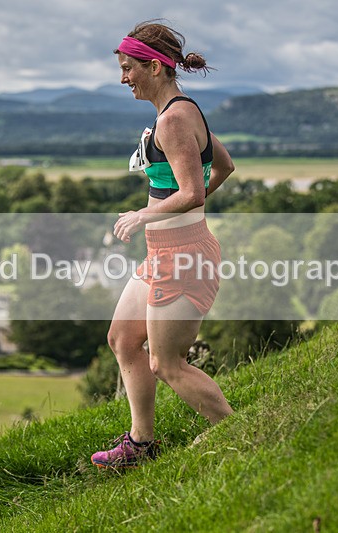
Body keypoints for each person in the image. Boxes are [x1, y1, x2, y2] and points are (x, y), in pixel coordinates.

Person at [90, 20, 235, 469]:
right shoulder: (181, 111)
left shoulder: (173, 120)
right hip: (165, 255)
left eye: (128, 67)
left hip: (184, 257)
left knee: (167, 363)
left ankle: (239, 430)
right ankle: (141, 445)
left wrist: (144, 215)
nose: (123, 78)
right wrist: (175, 216)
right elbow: (224, 166)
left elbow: (192, 191)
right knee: (123, 339)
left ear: (154, 67)